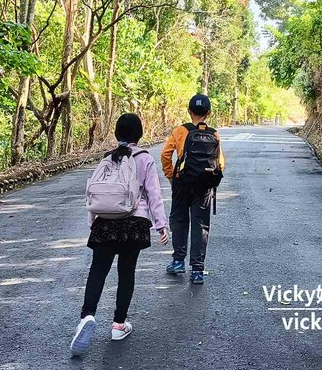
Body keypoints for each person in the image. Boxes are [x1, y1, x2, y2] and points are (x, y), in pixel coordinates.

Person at [70, 113, 169, 357]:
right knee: (126, 273)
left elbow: (94, 193)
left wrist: (93, 221)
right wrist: (161, 225)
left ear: (116, 134)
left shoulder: (108, 157)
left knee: (98, 270)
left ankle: (87, 315)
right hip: (134, 223)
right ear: (140, 134)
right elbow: (154, 194)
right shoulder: (144, 159)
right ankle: (118, 324)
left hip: (105, 222)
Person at [161, 94, 224, 285]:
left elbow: (165, 154)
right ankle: (197, 270)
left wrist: (171, 175)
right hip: (204, 184)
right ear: (209, 113)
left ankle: (178, 261)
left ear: (189, 111)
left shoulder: (180, 131)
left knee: (179, 219)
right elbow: (220, 162)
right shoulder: (214, 134)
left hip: (182, 181)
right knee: (200, 225)